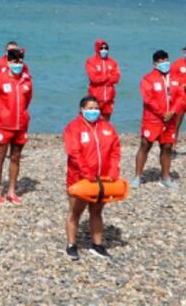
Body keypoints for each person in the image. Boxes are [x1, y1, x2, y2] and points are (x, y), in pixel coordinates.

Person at [63, 96, 120, 261]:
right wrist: (87, 174)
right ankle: (71, 245)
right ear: (82, 109)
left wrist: (113, 171)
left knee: (97, 211)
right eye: (90, 108)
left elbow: (115, 151)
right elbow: (74, 153)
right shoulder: (73, 128)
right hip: (79, 179)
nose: (93, 111)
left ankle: (97, 245)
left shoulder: (107, 128)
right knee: (75, 212)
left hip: (103, 180)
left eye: (96, 108)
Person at [0, 48, 32, 204]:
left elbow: (28, 100)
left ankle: (11, 191)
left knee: (16, 158)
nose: (18, 64)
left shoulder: (27, 81)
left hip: (21, 126)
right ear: (9, 62)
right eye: (14, 61)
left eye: (20, 61)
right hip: (4, 125)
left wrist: (22, 116)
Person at [132, 50, 179, 189]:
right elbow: (148, 99)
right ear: (154, 63)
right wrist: (162, 113)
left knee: (167, 147)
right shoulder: (148, 78)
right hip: (152, 119)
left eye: (166, 60)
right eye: (160, 61)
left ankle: (165, 177)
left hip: (170, 118)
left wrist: (173, 111)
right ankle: (137, 177)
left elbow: (181, 96)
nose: (164, 63)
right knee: (145, 145)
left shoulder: (176, 77)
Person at [85, 39, 121, 122]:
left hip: (109, 97)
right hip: (96, 96)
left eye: (106, 48)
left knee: (106, 120)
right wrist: (108, 76)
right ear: (97, 49)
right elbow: (94, 79)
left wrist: (102, 78)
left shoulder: (112, 62)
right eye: (101, 48)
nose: (104, 50)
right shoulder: (91, 62)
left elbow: (117, 77)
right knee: (92, 119)